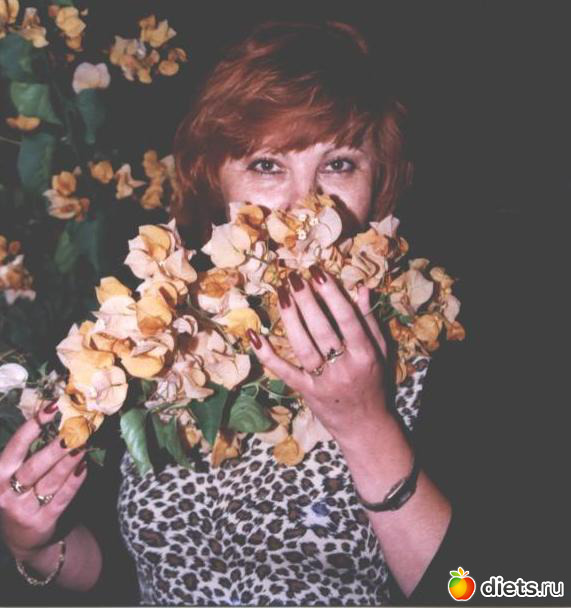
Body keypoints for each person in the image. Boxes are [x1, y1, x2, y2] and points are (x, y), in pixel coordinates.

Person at [0, 20, 458, 605]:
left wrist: (366, 428)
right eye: (267, 165)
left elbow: (483, 587)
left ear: (380, 179)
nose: (304, 204)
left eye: (339, 164)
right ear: (214, 177)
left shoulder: (429, 349)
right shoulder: (165, 338)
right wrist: (36, 545)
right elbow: (137, 567)